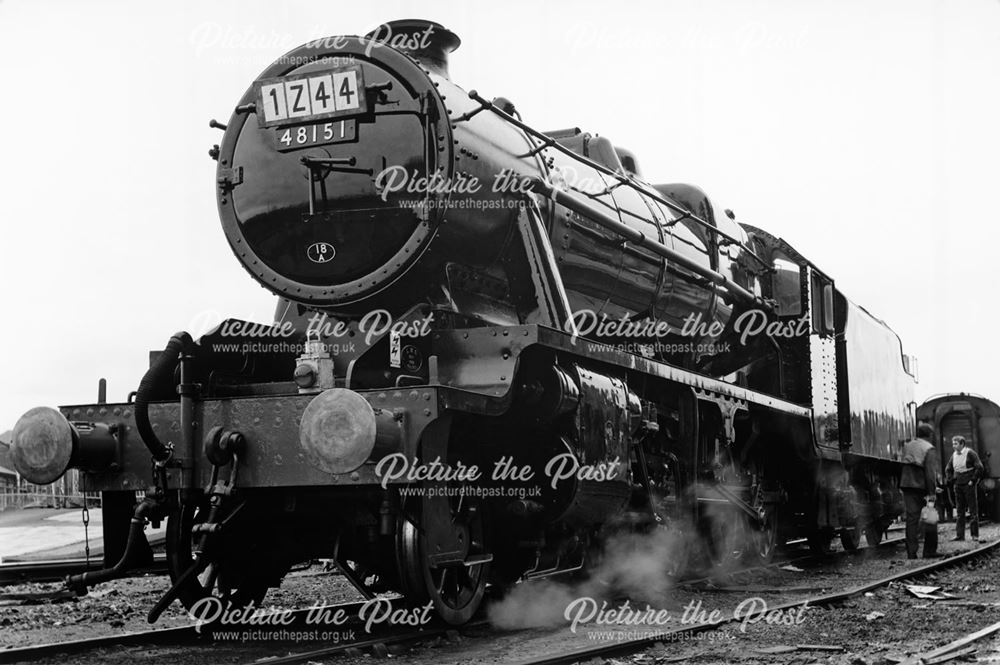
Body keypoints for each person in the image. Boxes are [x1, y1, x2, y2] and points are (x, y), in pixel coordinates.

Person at [900, 423, 940, 559]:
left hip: (907, 484)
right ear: (929, 435)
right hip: (922, 486)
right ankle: (929, 551)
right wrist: (932, 493)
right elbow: (930, 473)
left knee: (911, 519)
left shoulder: (908, 445)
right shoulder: (929, 448)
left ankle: (911, 553)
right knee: (930, 517)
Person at [946, 435, 984, 542]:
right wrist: (951, 480)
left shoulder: (970, 453)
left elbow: (979, 467)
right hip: (958, 485)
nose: (953, 446)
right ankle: (960, 535)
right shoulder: (953, 455)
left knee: (973, 511)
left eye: (956, 443)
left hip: (969, 484)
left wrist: (973, 480)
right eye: (953, 443)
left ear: (962, 444)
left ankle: (974, 535)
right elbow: (948, 469)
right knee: (959, 511)